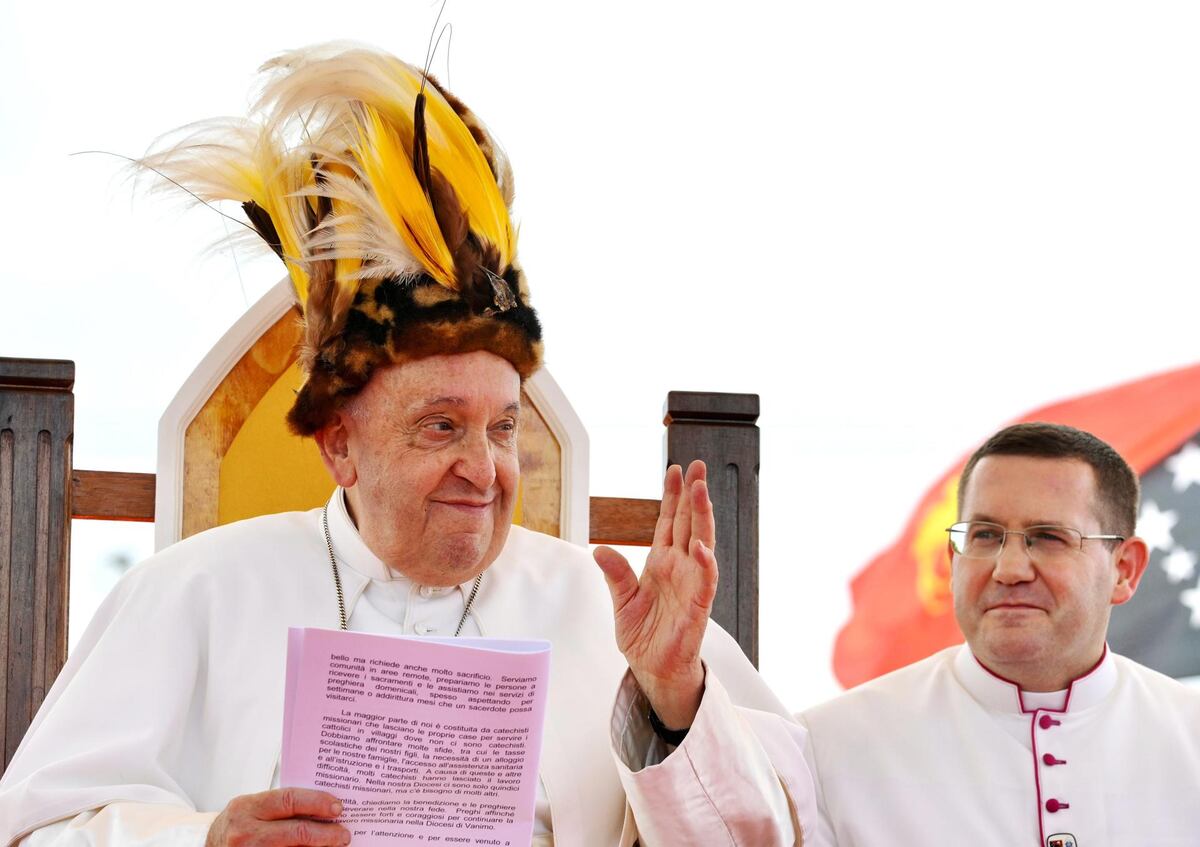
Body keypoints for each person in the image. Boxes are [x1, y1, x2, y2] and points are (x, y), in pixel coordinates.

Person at [0, 44, 815, 846]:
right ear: (339, 444)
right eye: (441, 425)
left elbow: (781, 835)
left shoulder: (607, 618)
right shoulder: (193, 593)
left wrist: (675, 699)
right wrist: (206, 839)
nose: (484, 469)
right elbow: (38, 828)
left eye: (503, 427)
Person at [798, 422, 1200, 846]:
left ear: (1124, 570)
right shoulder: (827, 750)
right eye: (986, 536)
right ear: (954, 560)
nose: (1008, 570)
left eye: (1047, 537)